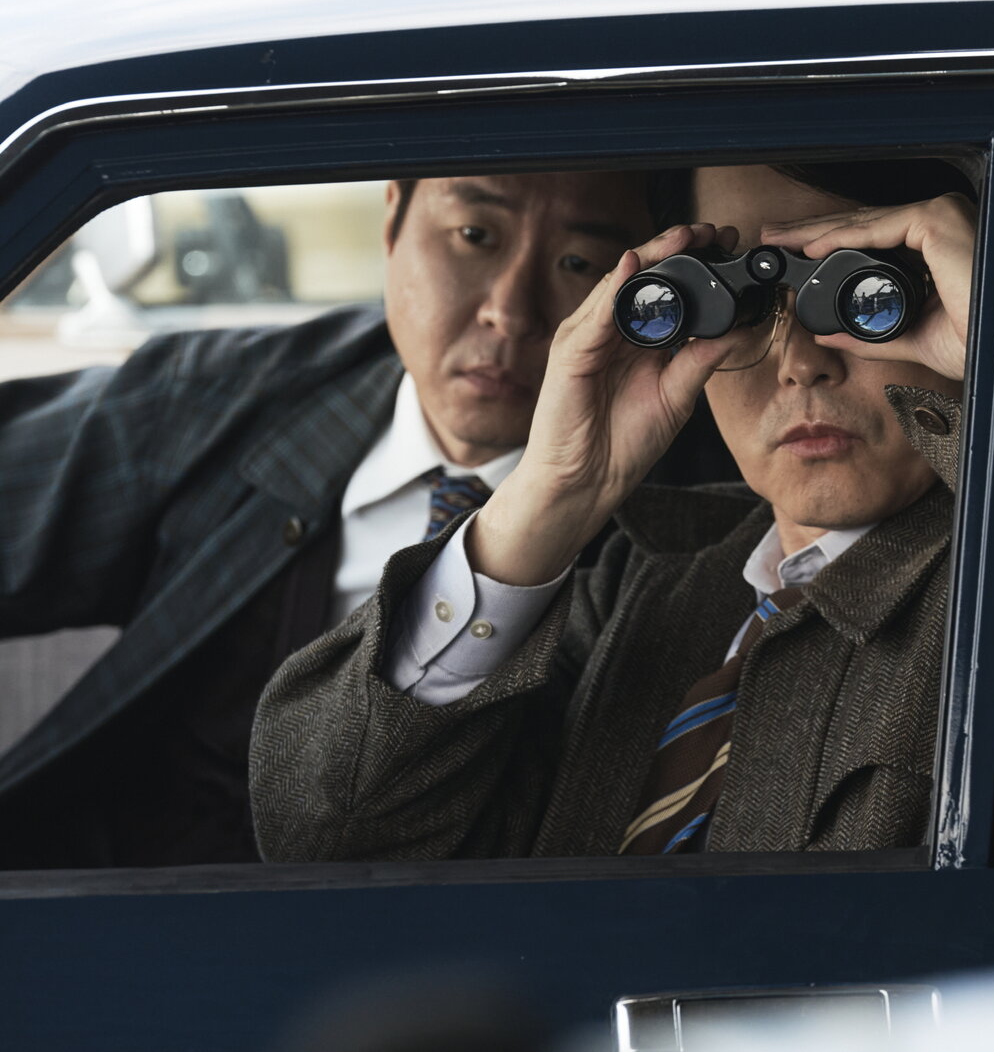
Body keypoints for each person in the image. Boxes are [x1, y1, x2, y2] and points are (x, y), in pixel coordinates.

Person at [250, 159, 994, 862]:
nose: (800, 359)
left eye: (862, 290)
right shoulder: (633, 583)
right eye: (744, 300)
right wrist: (545, 502)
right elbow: (323, 830)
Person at [0, 170, 665, 868]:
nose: (510, 311)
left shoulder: (684, 534)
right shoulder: (227, 398)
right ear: (393, 219)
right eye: (475, 235)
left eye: (579, 264)